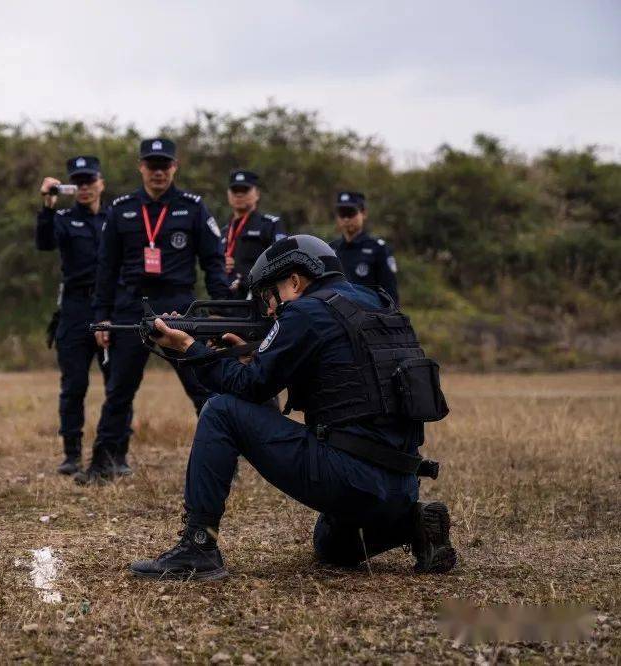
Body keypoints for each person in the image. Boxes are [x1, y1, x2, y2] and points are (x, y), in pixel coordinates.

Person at [129, 234, 456, 579]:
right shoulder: (379, 302)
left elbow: (250, 388)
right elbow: (347, 378)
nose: (271, 309)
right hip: (402, 482)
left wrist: (190, 349)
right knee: (332, 546)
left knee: (221, 410)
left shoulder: (306, 310)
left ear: (296, 281)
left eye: (271, 295)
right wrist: (257, 359)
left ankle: (199, 546)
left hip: (350, 477)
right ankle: (412, 523)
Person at [80, 137, 232, 485]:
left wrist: (220, 309)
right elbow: (106, 267)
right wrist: (102, 314)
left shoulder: (193, 208)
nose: (159, 172)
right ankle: (104, 463)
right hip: (132, 307)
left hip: (179, 306)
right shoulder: (121, 209)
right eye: (152, 165)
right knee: (119, 389)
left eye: (165, 165)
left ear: (175, 167)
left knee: (201, 387)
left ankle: (223, 461)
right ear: (141, 167)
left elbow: (212, 263)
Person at [36, 155, 121, 475]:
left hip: (110, 307)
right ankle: (71, 453)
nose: (85, 188)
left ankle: (113, 451)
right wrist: (47, 205)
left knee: (116, 383)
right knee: (73, 384)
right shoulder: (64, 219)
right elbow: (44, 243)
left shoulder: (115, 218)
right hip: (75, 309)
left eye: (90, 181)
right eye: (79, 182)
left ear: (101, 183)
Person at [220, 169, 287, 298]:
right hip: (225, 301)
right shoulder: (224, 231)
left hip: (256, 302)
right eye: (235, 191)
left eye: (244, 190)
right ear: (228, 194)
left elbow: (282, 262)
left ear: (257, 194)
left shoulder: (269, 225)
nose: (239, 195)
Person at [329, 191, 400, 305]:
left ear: (364, 213)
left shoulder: (378, 249)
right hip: (336, 317)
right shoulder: (331, 249)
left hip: (368, 317)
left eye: (351, 213)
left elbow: (390, 293)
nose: (346, 219)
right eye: (342, 214)